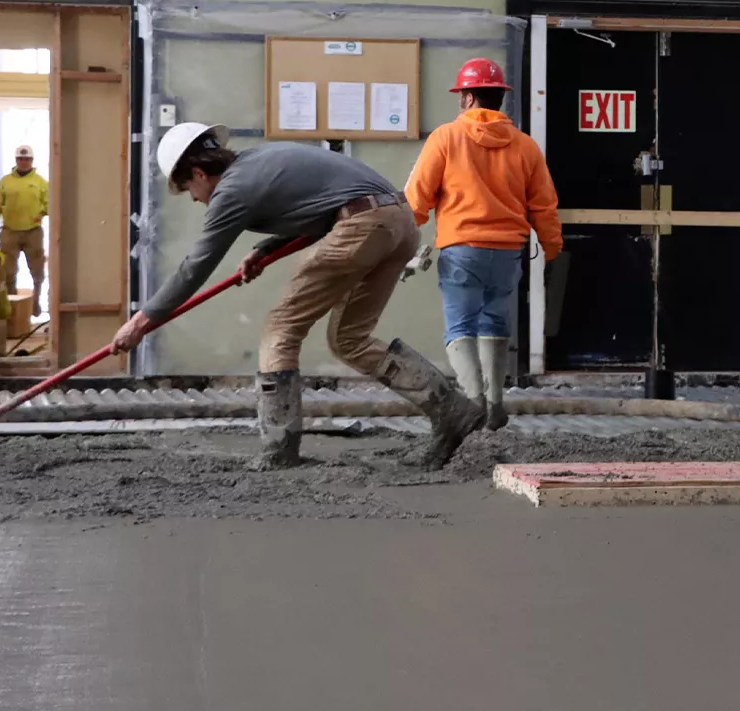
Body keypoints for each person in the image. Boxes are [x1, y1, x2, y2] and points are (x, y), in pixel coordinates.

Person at [112, 122, 484, 470]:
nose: (194, 199)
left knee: (281, 329)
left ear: (197, 173)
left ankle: (279, 450)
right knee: (349, 339)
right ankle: (452, 410)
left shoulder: (232, 189)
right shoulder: (258, 162)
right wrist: (264, 250)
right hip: (398, 220)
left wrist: (142, 321)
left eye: (188, 189)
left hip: (363, 225)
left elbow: (195, 266)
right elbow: (319, 210)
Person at [403, 57, 562, 431]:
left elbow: (417, 199)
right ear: (499, 99)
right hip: (508, 252)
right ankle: (495, 405)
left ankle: (472, 404)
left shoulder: (445, 138)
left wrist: (404, 243)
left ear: (468, 98)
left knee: (460, 325)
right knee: (494, 320)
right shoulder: (525, 146)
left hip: (462, 250)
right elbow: (544, 204)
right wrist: (551, 248)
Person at [0, 144, 49, 313]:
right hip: (9, 232)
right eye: (21, 159)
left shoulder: (41, 182)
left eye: (27, 159)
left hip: (33, 232)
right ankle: (10, 308)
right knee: (8, 272)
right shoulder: (5, 182)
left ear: (32, 161)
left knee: (37, 272)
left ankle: (35, 305)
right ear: (16, 160)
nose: (24, 162)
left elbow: (50, 203)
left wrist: (42, 213)